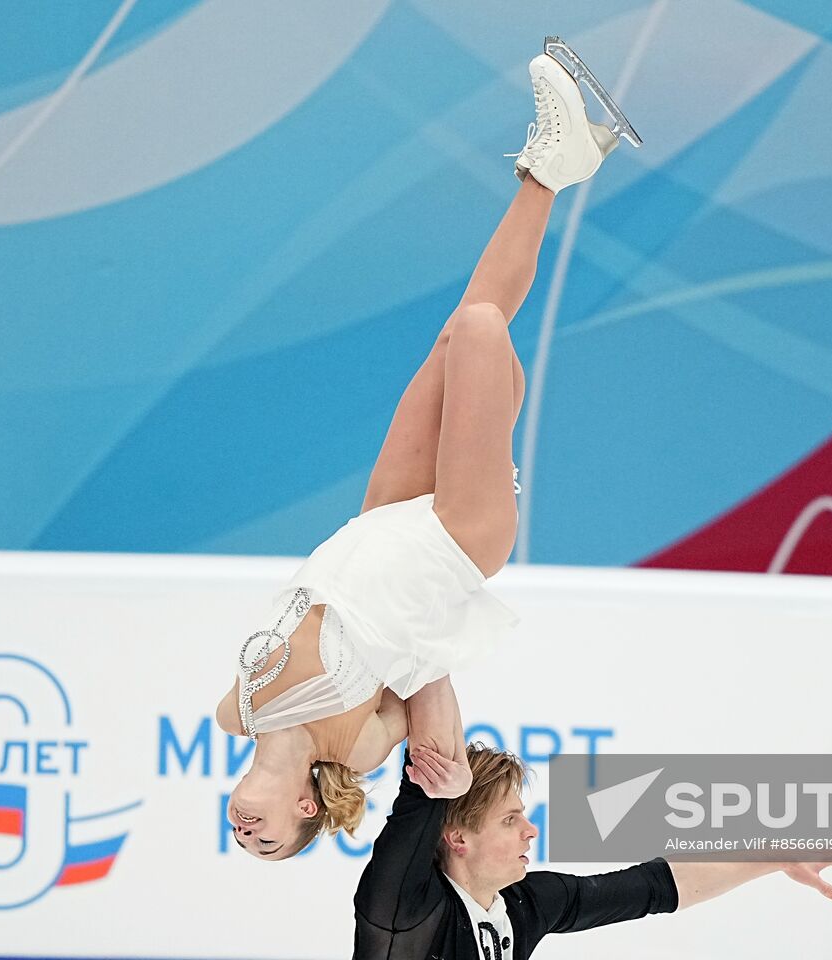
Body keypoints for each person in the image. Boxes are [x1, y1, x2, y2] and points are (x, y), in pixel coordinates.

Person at [214, 38, 639, 860]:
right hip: (450, 542)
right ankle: (552, 168)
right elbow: (425, 683)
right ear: (308, 806)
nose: (247, 839)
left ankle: (557, 166)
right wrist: (438, 758)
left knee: (462, 331)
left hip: (374, 524)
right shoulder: (357, 749)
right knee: (482, 330)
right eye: (271, 845)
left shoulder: (232, 713)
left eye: (242, 842)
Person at [354, 742, 832, 959]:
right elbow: (419, 791)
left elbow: (654, 887)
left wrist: (770, 856)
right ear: (457, 837)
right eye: (511, 820)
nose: (530, 832)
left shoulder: (524, 905)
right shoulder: (404, 908)